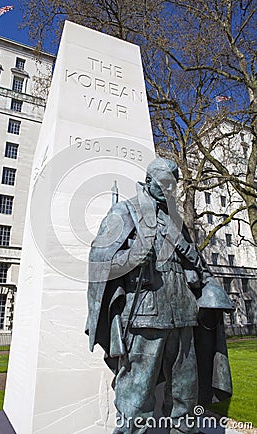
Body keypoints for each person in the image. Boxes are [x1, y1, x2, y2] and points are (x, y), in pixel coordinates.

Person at [86, 158, 232, 434]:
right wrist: (132, 257)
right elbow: (99, 261)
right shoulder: (125, 211)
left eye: (172, 185)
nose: (168, 190)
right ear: (149, 181)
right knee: (136, 396)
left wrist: (208, 288)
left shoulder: (176, 220)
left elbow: (197, 265)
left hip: (183, 315)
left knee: (184, 393)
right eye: (163, 184)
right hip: (144, 317)